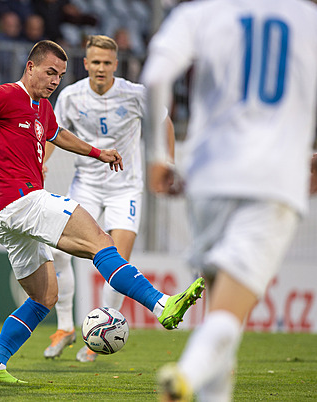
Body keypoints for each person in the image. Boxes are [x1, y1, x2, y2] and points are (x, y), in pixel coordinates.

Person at [0, 40, 204, 383]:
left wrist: (97, 153)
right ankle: (162, 305)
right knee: (100, 241)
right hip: (22, 200)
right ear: (30, 68)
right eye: (50, 72)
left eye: (60, 75)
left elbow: (58, 135)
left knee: (45, 297)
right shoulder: (4, 95)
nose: (55, 80)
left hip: (6, 216)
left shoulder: (42, 108)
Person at [141, 1, 317, 400]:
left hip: (207, 178)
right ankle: (183, 377)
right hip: (273, 180)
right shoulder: (308, 18)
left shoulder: (200, 13)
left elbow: (155, 78)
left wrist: (157, 158)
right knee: (228, 314)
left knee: (219, 308)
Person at [42, 34, 176, 363]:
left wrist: (168, 164)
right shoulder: (71, 96)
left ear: (115, 65)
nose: (100, 68)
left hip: (125, 187)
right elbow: (53, 133)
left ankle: (99, 335)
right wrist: (41, 162)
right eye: (95, 62)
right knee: (59, 250)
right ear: (85, 64)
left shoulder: (136, 94)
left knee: (117, 260)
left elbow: (165, 123)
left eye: (106, 63)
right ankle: (64, 327)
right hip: (85, 183)